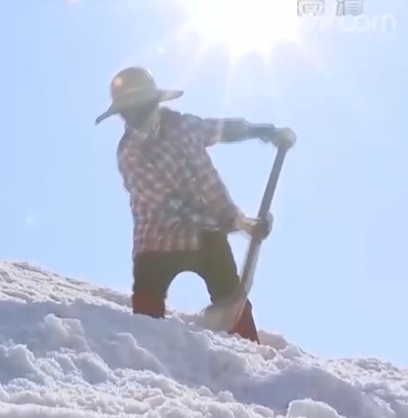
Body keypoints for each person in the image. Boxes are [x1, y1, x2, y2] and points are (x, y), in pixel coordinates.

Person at [94, 66, 296, 343]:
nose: (135, 117)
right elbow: (171, 205)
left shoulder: (183, 126)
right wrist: (238, 223)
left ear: (154, 102)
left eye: (139, 107)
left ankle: (250, 354)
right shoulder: (130, 152)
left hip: (206, 237)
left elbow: (221, 129)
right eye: (127, 112)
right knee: (146, 321)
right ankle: (143, 361)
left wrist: (263, 131)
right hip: (156, 242)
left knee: (232, 300)